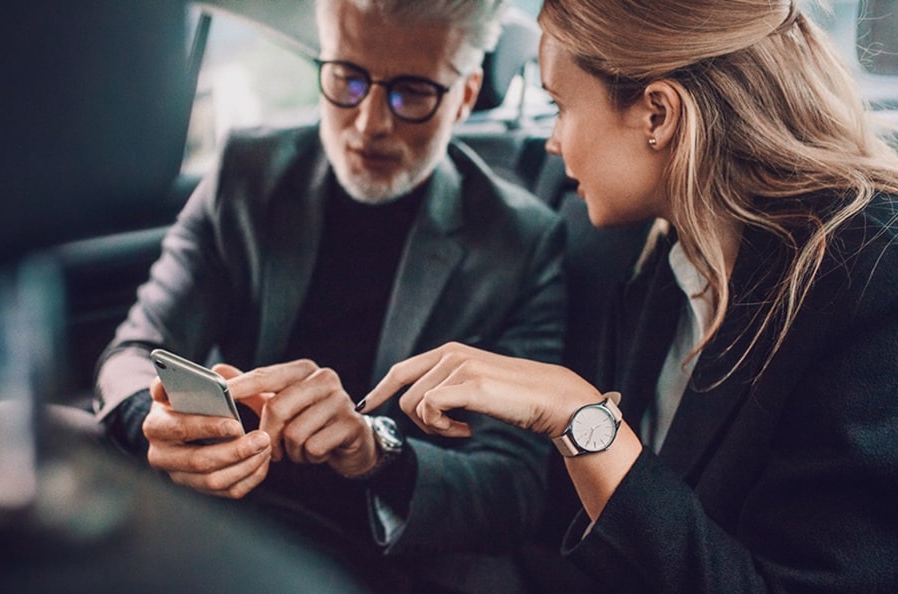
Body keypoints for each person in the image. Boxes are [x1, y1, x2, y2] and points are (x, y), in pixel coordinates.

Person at [360, 0, 898, 591]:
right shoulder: (664, 256)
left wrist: (582, 420)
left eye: (560, 107)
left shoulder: (889, 277)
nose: (552, 143)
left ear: (657, 114)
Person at [93, 0, 566, 592]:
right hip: (225, 518)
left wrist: (377, 452)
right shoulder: (247, 174)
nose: (369, 123)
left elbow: (514, 489)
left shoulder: (519, 243)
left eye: (412, 92)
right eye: (347, 78)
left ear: (466, 95)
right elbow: (133, 353)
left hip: (384, 559)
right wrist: (155, 423)